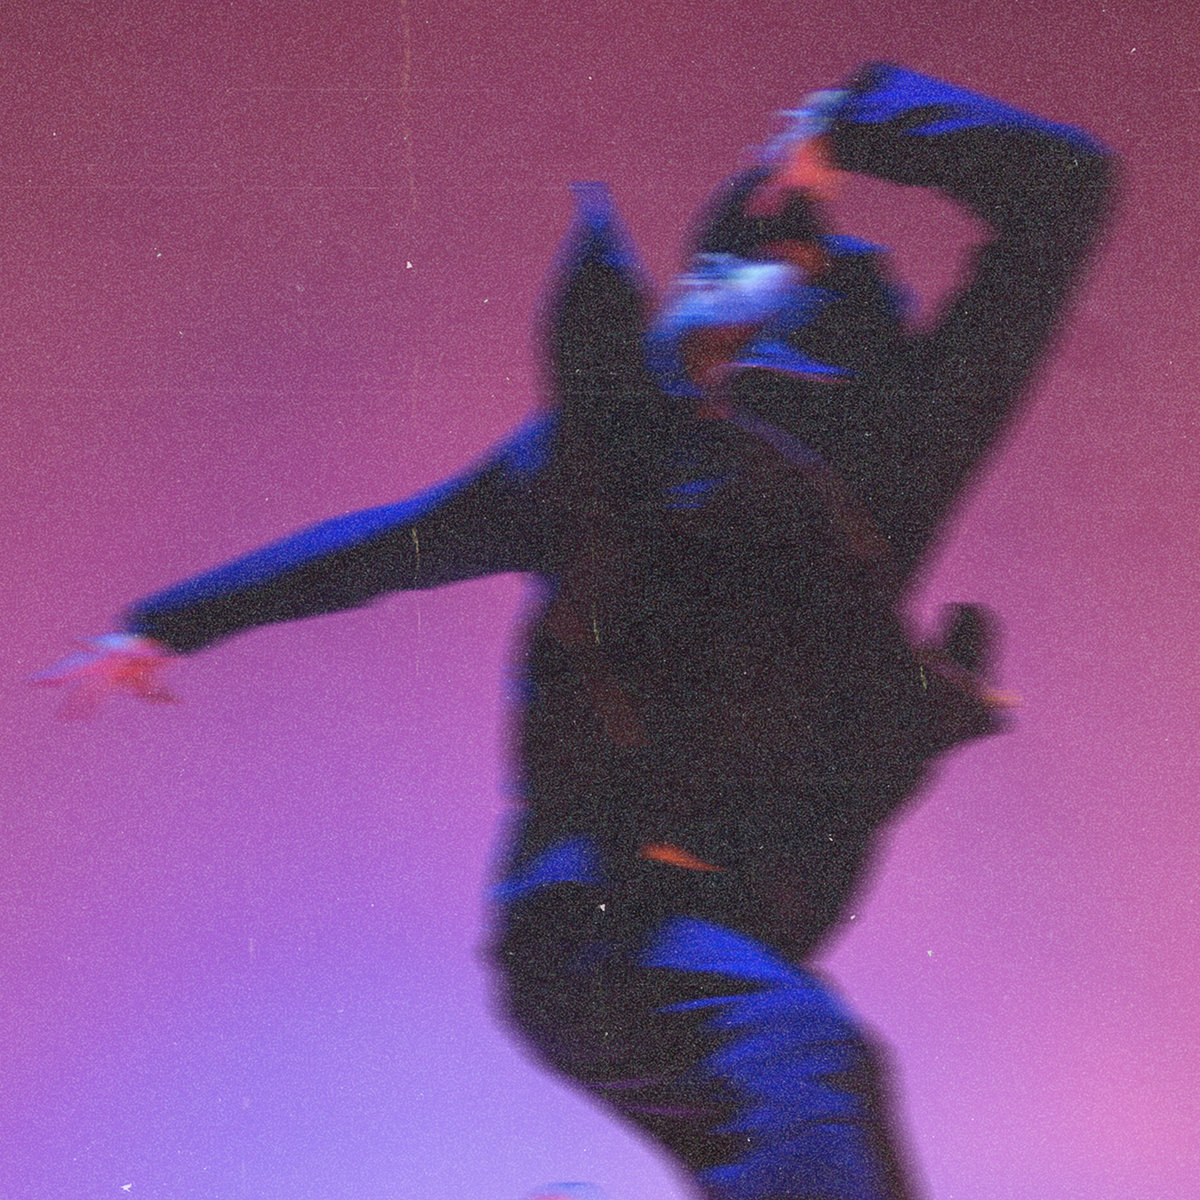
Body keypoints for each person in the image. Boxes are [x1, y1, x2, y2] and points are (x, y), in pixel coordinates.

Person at [37, 64, 1113, 1200]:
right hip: (598, 925)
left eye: (760, 270)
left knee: (823, 1107)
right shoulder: (602, 457)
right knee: (811, 1068)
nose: (717, 291)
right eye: (706, 276)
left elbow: (1065, 188)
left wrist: (856, 122)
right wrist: (164, 625)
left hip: (737, 926)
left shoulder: (888, 466)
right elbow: (378, 550)